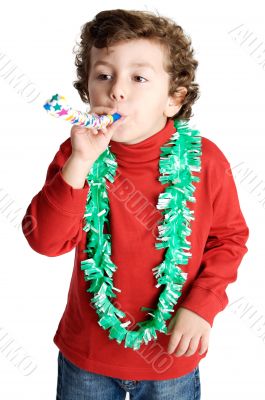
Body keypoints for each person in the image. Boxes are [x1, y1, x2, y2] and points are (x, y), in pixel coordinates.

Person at [21, 8, 249, 400]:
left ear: (174, 100)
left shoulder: (205, 161)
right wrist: (79, 162)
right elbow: (46, 242)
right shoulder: (76, 156)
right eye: (103, 75)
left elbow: (228, 239)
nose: (117, 90)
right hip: (87, 357)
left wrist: (203, 306)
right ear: (87, 90)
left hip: (171, 356)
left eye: (139, 77)